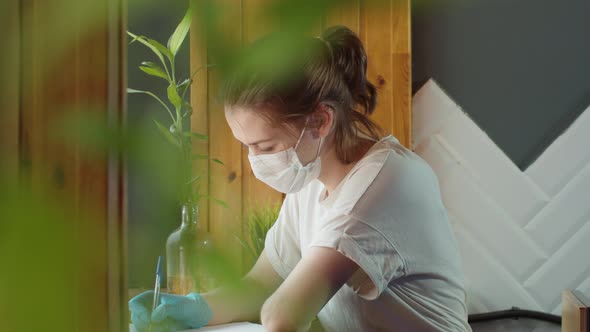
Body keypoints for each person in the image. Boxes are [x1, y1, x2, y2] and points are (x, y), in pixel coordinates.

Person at [129, 25, 472, 332]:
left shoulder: (384, 184)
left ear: (321, 120)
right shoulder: (310, 182)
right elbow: (260, 285)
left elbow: (283, 317)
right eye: (246, 146)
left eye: (265, 146)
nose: (255, 161)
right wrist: (194, 307)